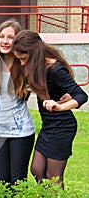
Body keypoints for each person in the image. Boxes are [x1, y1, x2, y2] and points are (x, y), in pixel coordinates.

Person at [12, 29, 88, 188]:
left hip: (62, 127)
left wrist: (59, 106)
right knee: (36, 170)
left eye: (24, 59)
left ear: (35, 53)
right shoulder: (37, 67)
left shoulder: (55, 69)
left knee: (53, 177)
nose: (22, 63)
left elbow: (81, 95)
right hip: (48, 126)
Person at [0, 19, 35, 186]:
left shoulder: (25, 65)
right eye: (1, 36)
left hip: (21, 132)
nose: (5, 41)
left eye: (10, 37)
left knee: (18, 182)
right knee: (1, 181)